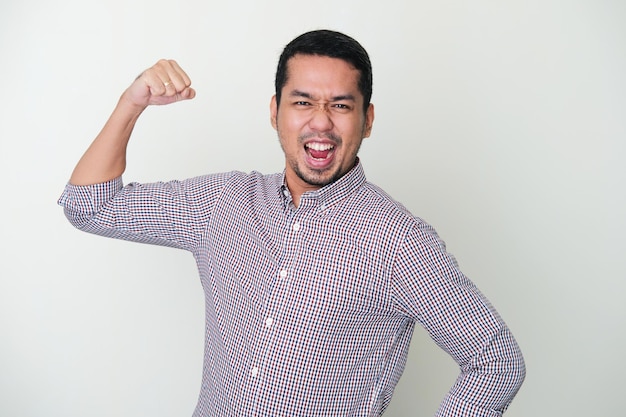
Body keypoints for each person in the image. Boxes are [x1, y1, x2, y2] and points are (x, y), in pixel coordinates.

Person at [59, 29, 525, 416]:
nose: (320, 123)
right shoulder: (222, 203)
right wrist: (131, 102)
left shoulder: (399, 240)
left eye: (341, 106)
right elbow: (91, 207)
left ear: (367, 120)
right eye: (302, 102)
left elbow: (496, 360)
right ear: (274, 111)